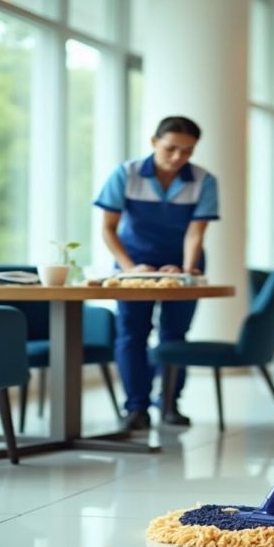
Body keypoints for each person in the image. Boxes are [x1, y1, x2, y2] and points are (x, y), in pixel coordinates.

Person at [94, 116, 219, 430]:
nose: (178, 158)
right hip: (133, 263)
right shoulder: (126, 174)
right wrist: (130, 268)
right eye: (171, 148)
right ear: (153, 142)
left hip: (182, 264)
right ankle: (136, 408)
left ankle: (169, 404)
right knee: (132, 334)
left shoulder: (204, 181)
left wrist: (188, 269)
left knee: (174, 336)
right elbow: (108, 229)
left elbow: (195, 234)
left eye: (187, 151)